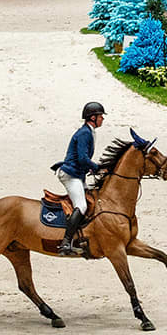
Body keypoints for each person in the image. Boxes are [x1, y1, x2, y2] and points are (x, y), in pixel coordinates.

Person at [55, 101, 105, 257]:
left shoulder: (89, 131)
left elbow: (82, 159)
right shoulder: (84, 133)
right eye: (100, 116)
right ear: (92, 117)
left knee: (91, 200)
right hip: (71, 175)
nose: (102, 119)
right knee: (82, 206)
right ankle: (65, 243)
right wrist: (96, 167)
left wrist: (91, 168)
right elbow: (83, 158)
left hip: (78, 174)